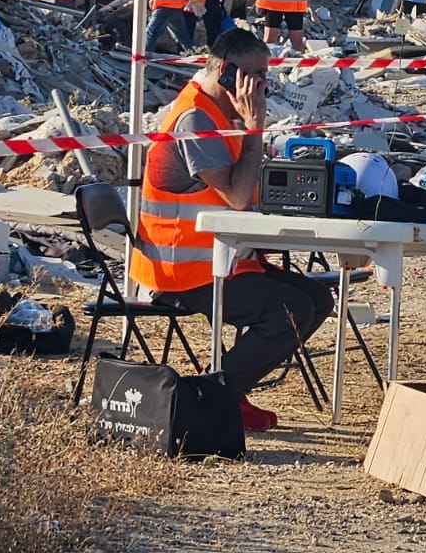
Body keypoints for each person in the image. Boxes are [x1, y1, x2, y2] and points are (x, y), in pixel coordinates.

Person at [129, 27, 335, 432]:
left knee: (316, 298)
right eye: (256, 75)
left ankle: (228, 389)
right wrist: (255, 127)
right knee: (289, 310)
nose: (262, 85)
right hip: (181, 270)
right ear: (226, 72)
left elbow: (248, 190)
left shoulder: (220, 115)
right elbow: (238, 197)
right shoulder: (195, 118)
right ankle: (209, 396)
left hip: (220, 260)